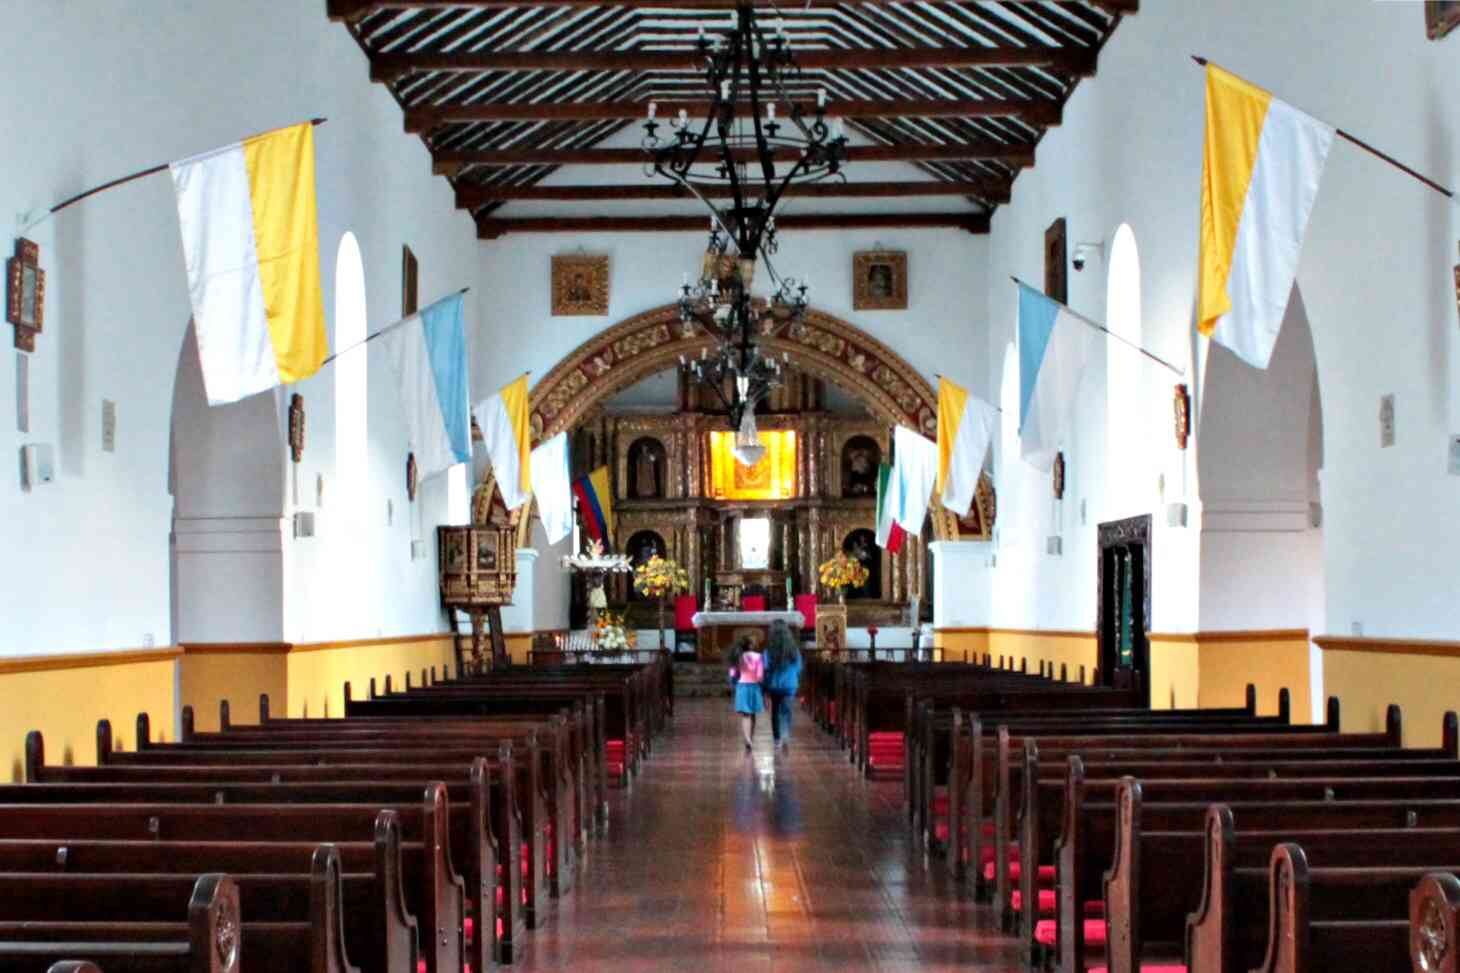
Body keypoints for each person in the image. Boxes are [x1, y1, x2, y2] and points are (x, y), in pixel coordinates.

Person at [763, 620, 802, 752]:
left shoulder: (769, 650)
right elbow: (799, 667)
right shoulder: (794, 649)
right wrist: (793, 677)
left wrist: (765, 685)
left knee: (775, 712)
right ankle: (785, 734)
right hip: (789, 684)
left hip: (774, 685)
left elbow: (766, 668)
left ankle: (777, 739)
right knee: (786, 711)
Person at [727, 636, 764, 753]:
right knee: (753, 714)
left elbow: (732, 673)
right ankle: (750, 738)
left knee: (745, 715)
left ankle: (747, 739)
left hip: (742, 687)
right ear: (751, 646)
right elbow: (760, 675)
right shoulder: (758, 656)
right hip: (754, 687)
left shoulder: (737, 657)